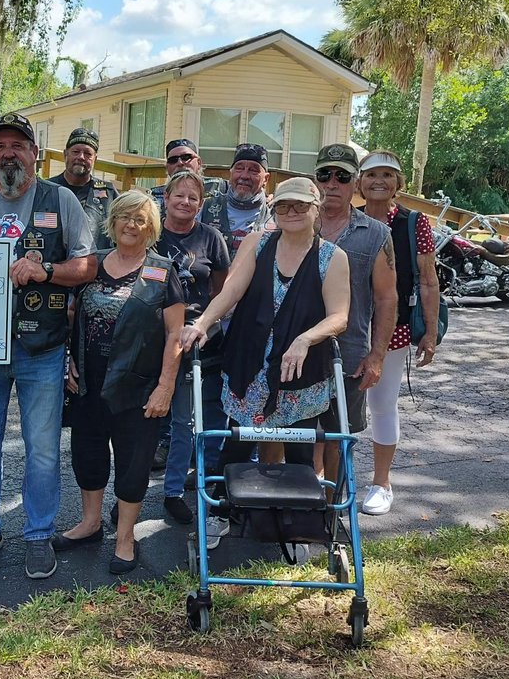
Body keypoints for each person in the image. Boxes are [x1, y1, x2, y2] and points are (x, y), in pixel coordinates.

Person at [0, 111, 97, 579]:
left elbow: (87, 266)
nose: (9, 153)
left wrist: (45, 270)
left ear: (34, 153)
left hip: (42, 346)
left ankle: (38, 534)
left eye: (18, 145)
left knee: (43, 448)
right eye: (0, 146)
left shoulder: (61, 200)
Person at [180, 177, 351, 549]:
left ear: (316, 209)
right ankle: (222, 513)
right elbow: (232, 290)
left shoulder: (332, 257)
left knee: (300, 450)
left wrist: (305, 339)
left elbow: (339, 316)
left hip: (300, 370)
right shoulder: (258, 243)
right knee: (237, 445)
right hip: (251, 364)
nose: (292, 212)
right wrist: (202, 323)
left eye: (300, 205)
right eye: (284, 206)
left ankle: (299, 525)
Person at [55, 191, 184, 574]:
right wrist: (68, 357)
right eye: (126, 216)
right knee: (88, 455)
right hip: (88, 384)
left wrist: (165, 387)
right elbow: (70, 315)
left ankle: (125, 537)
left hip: (138, 388)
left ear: (151, 228)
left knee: (133, 463)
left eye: (140, 219)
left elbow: (175, 335)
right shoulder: (92, 265)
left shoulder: (163, 271)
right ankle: (90, 523)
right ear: (113, 221)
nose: (132, 224)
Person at [311, 143, 397, 492]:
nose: (332, 183)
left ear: (355, 183)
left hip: (348, 355)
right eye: (324, 175)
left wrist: (377, 356)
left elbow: (387, 298)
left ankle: (333, 513)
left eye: (342, 176)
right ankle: (294, 510)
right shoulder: (294, 222)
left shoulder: (377, 233)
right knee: (291, 437)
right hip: (292, 353)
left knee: (337, 437)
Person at [358, 150, 438, 515]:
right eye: (371, 174)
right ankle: (327, 479)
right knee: (332, 406)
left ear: (398, 184)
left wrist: (431, 331)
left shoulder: (413, 223)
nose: (379, 181)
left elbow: (428, 280)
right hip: (348, 326)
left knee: (382, 403)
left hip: (393, 328)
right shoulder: (349, 219)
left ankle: (381, 482)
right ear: (359, 182)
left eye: (387, 175)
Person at [153, 170, 230, 524]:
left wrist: (204, 326)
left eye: (193, 198)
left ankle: (172, 491)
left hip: (195, 338)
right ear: (166, 198)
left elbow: (222, 292)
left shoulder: (211, 238)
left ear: (201, 204)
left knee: (183, 421)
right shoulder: (152, 233)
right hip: (151, 335)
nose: (185, 202)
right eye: (179, 195)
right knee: (144, 418)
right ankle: (130, 491)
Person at [49, 127, 116, 250]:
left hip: (95, 260)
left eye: (88, 154)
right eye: (75, 152)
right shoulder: (46, 190)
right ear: (65, 154)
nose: (81, 157)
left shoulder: (109, 194)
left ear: (95, 159)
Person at [206, 143, 271, 259]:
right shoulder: (206, 207)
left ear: (265, 179)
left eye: (253, 170)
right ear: (230, 174)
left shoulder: (274, 215)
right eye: (239, 168)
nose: (244, 176)